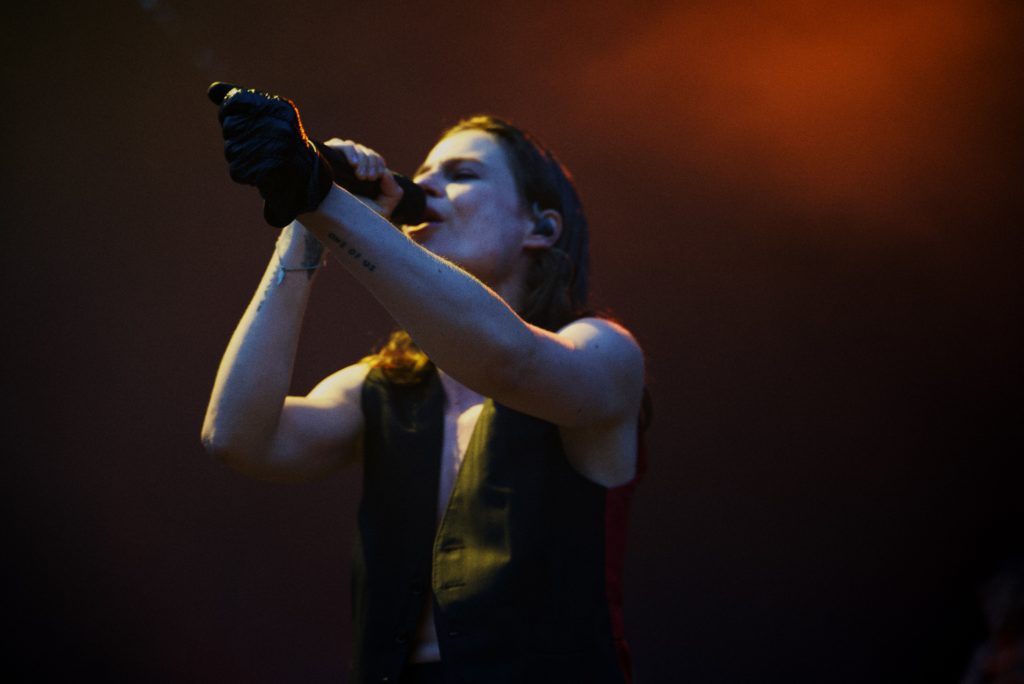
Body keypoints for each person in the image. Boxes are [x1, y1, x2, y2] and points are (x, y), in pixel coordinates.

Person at [201, 85, 649, 684]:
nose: (428, 186)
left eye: (462, 174)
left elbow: (505, 362)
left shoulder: (605, 353)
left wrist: (325, 200)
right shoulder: (382, 389)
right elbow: (238, 437)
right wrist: (304, 219)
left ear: (540, 227)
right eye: (424, 172)